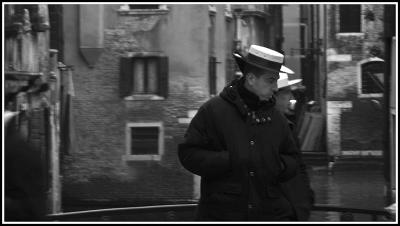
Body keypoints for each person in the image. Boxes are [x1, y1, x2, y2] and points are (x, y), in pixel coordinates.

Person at [178, 45, 303, 221]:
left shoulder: (277, 119)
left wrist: (277, 165)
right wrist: (230, 160)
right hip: (222, 214)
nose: (276, 87)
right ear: (251, 78)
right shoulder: (213, 111)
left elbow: (293, 158)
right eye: (270, 80)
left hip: (267, 214)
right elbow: (188, 154)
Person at [275, 72, 315, 220]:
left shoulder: (287, 126)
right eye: (287, 95)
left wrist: (306, 194)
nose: (290, 100)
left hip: (294, 205)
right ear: (275, 97)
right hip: (284, 208)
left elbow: (299, 164)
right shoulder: (274, 128)